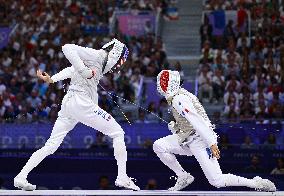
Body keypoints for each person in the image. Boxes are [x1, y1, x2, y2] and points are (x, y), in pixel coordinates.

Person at [14, 39, 140, 191]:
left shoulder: (98, 63)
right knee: (118, 133)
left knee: (51, 145)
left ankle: (21, 176)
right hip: (80, 103)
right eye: (119, 62)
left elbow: (70, 70)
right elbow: (66, 47)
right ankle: (122, 178)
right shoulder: (97, 55)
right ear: (114, 54)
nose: (117, 66)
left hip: (70, 104)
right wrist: (84, 71)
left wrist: (52, 79)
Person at [153, 70, 276, 191]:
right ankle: (183, 176)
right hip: (188, 139)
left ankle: (255, 183)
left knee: (217, 180)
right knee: (159, 146)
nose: (161, 88)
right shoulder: (179, 96)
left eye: (162, 85)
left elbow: (198, 121)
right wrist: (177, 128)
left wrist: (211, 142)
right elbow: (190, 123)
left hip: (200, 140)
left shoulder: (179, 99)